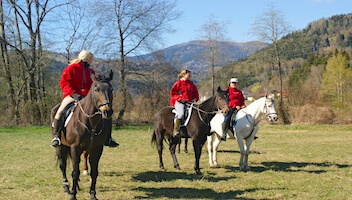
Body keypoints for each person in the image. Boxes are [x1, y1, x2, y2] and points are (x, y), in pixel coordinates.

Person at [50, 50, 119, 148]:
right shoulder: (70, 69)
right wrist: (73, 94)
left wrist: (88, 95)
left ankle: (108, 137)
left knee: (104, 112)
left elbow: (92, 86)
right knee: (59, 111)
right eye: (91, 59)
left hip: (87, 97)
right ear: (89, 59)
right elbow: (64, 83)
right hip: (71, 96)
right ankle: (56, 136)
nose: (92, 61)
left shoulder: (91, 72)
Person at [170, 69, 199, 137]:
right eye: (188, 75)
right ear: (183, 75)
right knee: (181, 114)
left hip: (190, 103)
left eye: (190, 75)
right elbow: (173, 93)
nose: (190, 76)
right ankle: (176, 130)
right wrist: (180, 99)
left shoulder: (191, 84)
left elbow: (195, 93)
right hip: (180, 103)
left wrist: (195, 98)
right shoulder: (178, 83)